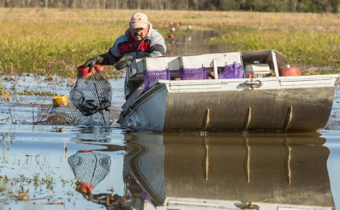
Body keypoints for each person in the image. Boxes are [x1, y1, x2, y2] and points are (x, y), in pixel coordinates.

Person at [84, 12, 166, 70]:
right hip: (133, 77)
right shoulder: (122, 41)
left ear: (147, 27)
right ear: (130, 26)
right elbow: (111, 57)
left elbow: (158, 55)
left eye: (141, 29)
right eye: (135, 28)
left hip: (155, 74)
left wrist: (132, 62)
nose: (138, 32)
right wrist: (96, 60)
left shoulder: (155, 38)